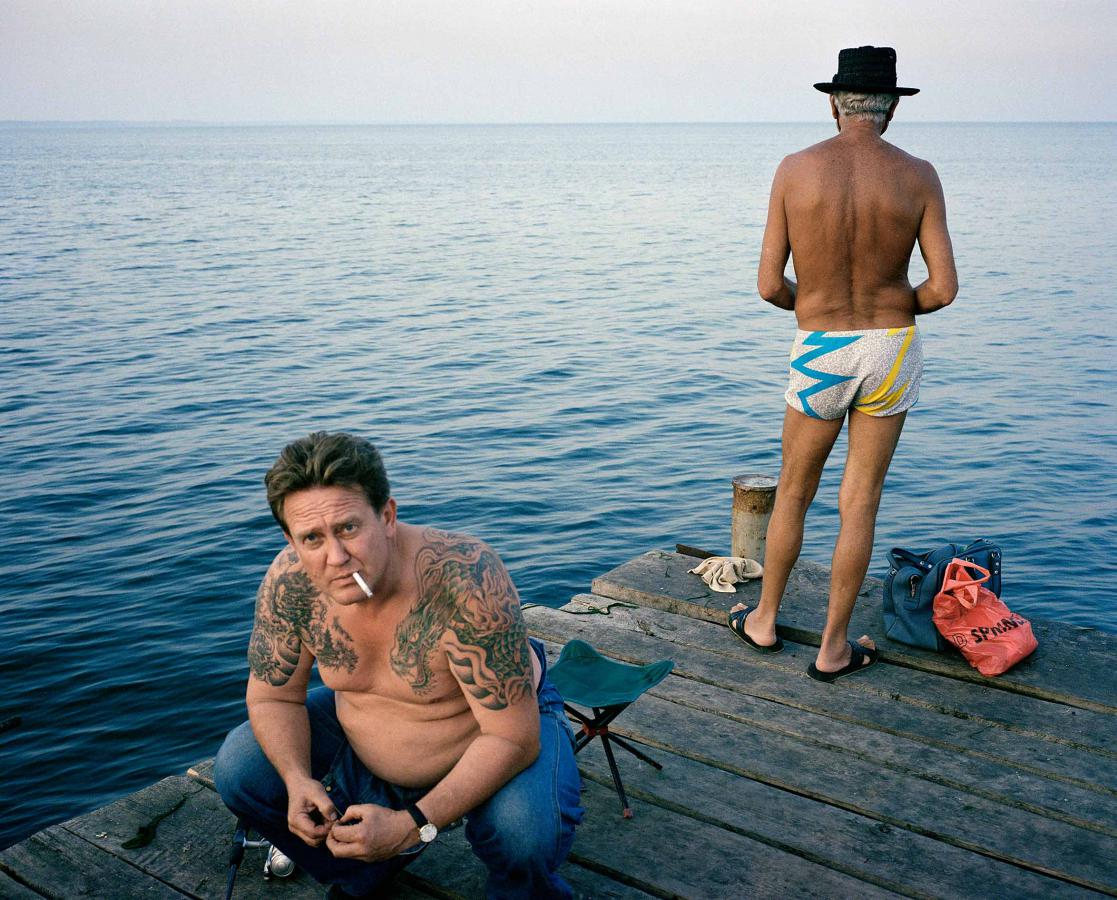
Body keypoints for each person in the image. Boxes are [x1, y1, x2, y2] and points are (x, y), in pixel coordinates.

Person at [215, 432, 583, 898]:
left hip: (494, 728)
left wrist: (414, 825)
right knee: (240, 767)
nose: (336, 557)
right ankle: (361, 872)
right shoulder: (290, 585)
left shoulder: (463, 577)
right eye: (312, 538)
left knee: (524, 833)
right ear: (291, 539)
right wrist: (297, 779)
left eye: (349, 528)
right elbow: (273, 697)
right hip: (363, 726)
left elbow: (513, 737)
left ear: (387, 517)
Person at [727, 47, 957, 682]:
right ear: (891, 110)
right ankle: (833, 648)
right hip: (892, 345)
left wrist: (817, 307)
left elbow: (769, 285)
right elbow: (942, 289)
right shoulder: (919, 175)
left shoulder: (794, 170)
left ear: (834, 104)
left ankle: (764, 621)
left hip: (821, 344)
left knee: (795, 491)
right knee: (860, 503)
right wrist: (890, 307)